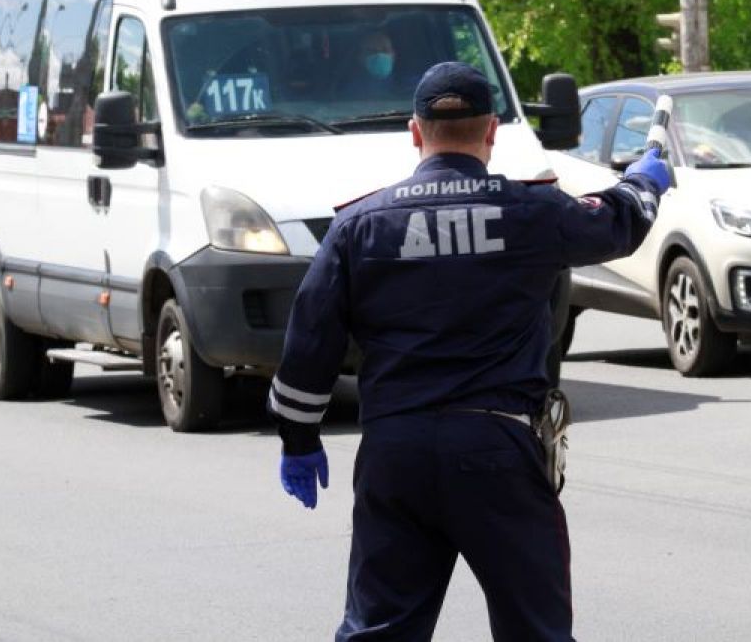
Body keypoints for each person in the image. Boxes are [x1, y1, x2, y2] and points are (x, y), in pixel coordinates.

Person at [269, 61, 670, 641]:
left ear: (415, 132)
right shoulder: (532, 211)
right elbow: (617, 224)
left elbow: (309, 343)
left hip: (395, 453)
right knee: (536, 631)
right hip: (498, 451)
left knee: (380, 631)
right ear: (490, 133)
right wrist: (646, 180)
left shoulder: (360, 224)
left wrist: (298, 440)